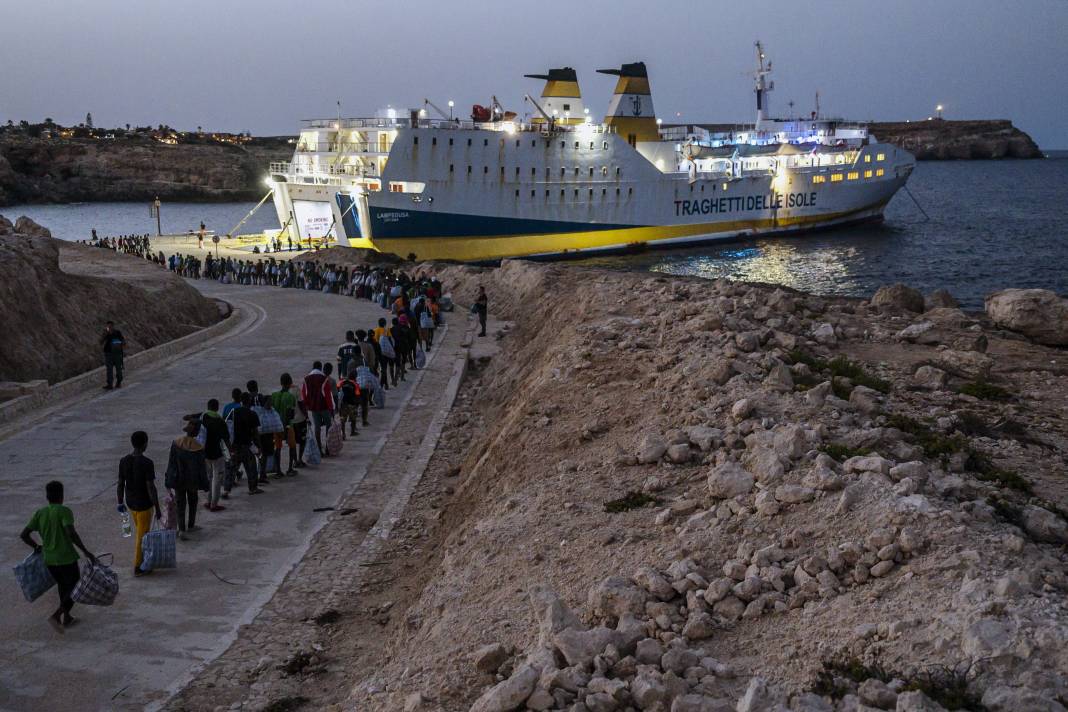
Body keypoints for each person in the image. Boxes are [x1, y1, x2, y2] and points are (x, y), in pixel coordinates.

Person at [20, 481, 98, 632]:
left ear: (47, 496)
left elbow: (24, 535)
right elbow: (71, 533)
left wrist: (37, 547)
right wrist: (85, 551)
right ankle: (58, 614)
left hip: (49, 559)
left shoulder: (40, 513)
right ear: (61, 496)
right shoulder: (64, 511)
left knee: (63, 586)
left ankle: (67, 617)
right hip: (66, 558)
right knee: (75, 587)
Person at [117, 431, 161, 576]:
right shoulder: (147, 463)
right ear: (145, 444)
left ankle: (143, 561)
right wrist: (158, 507)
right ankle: (138, 566)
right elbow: (150, 487)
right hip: (144, 506)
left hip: (131, 504)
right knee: (142, 537)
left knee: (141, 533)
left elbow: (120, 484)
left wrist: (119, 502)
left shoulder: (124, 461)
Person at [165, 416, 208, 540]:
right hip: (193, 480)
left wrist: (168, 478)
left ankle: (181, 529)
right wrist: (205, 483)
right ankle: (191, 525)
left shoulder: (176, 443)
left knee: (180, 503)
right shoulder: (198, 447)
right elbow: (201, 468)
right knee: (193, 501)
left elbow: (171, 463)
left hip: (178, 478)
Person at [229, 393, 263, 495]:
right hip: (247, 444)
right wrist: (259, 446)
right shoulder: (252, 414)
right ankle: (253, 488)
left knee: (232, 467)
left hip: (235, 444)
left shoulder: (234, 412)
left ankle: (226, 488)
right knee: (251, 468)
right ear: (249, 401)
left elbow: (228, 426)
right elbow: (255, 432)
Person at [201, 399, 231, 511]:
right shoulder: (220, 421)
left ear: (208, 407)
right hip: (217, 453)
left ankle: (208, 501)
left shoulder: (203, 418)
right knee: (217, 479)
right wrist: (231, 451)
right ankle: (214, 504)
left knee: (208, 477)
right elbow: (226, 439)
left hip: (204, 452)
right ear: (217, 408)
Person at [301, 362, 334, 453]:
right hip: (324, 406)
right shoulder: (324, 379)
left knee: (317, 427)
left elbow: (304, 395)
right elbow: (328, 395)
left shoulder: (306, 379)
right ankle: (328, 447)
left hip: (314, 408)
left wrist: (307, 407)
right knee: (328, 426)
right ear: (320, 368)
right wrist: (331, 408)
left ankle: (319, 448)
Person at [271, 373, 299, 476]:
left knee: (277, 448)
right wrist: (287, 427)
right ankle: (290, 468)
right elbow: (290, 414)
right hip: (287, 425)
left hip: (276, 426)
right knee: (292, 446)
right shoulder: (290, 397)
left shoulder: (274, 396)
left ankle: (278, 470)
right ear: (290, 383)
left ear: (281, 383)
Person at [337, 366, 362, 438]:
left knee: (343, 419)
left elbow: (337, 389)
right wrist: (358, 403)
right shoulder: (355, 384)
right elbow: (357, 395)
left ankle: (343, 434)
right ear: (355, 377)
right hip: (352, 404)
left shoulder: (342, 382)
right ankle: (352, 432)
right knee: (353, 418)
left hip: (343, 403)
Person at [101, 321, 126, 389]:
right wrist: (105, 334)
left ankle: (117, 382)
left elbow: (123, 341)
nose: (109, 328)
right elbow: (101, 342)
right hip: (111, 353)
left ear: (112, 326)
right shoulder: (107, 333)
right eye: (108, 326)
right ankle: (112, 383)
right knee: (111, 369)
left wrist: (118, 344)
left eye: (109, 326)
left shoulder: (117, 332)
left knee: (117, 369)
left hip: (115, 353)